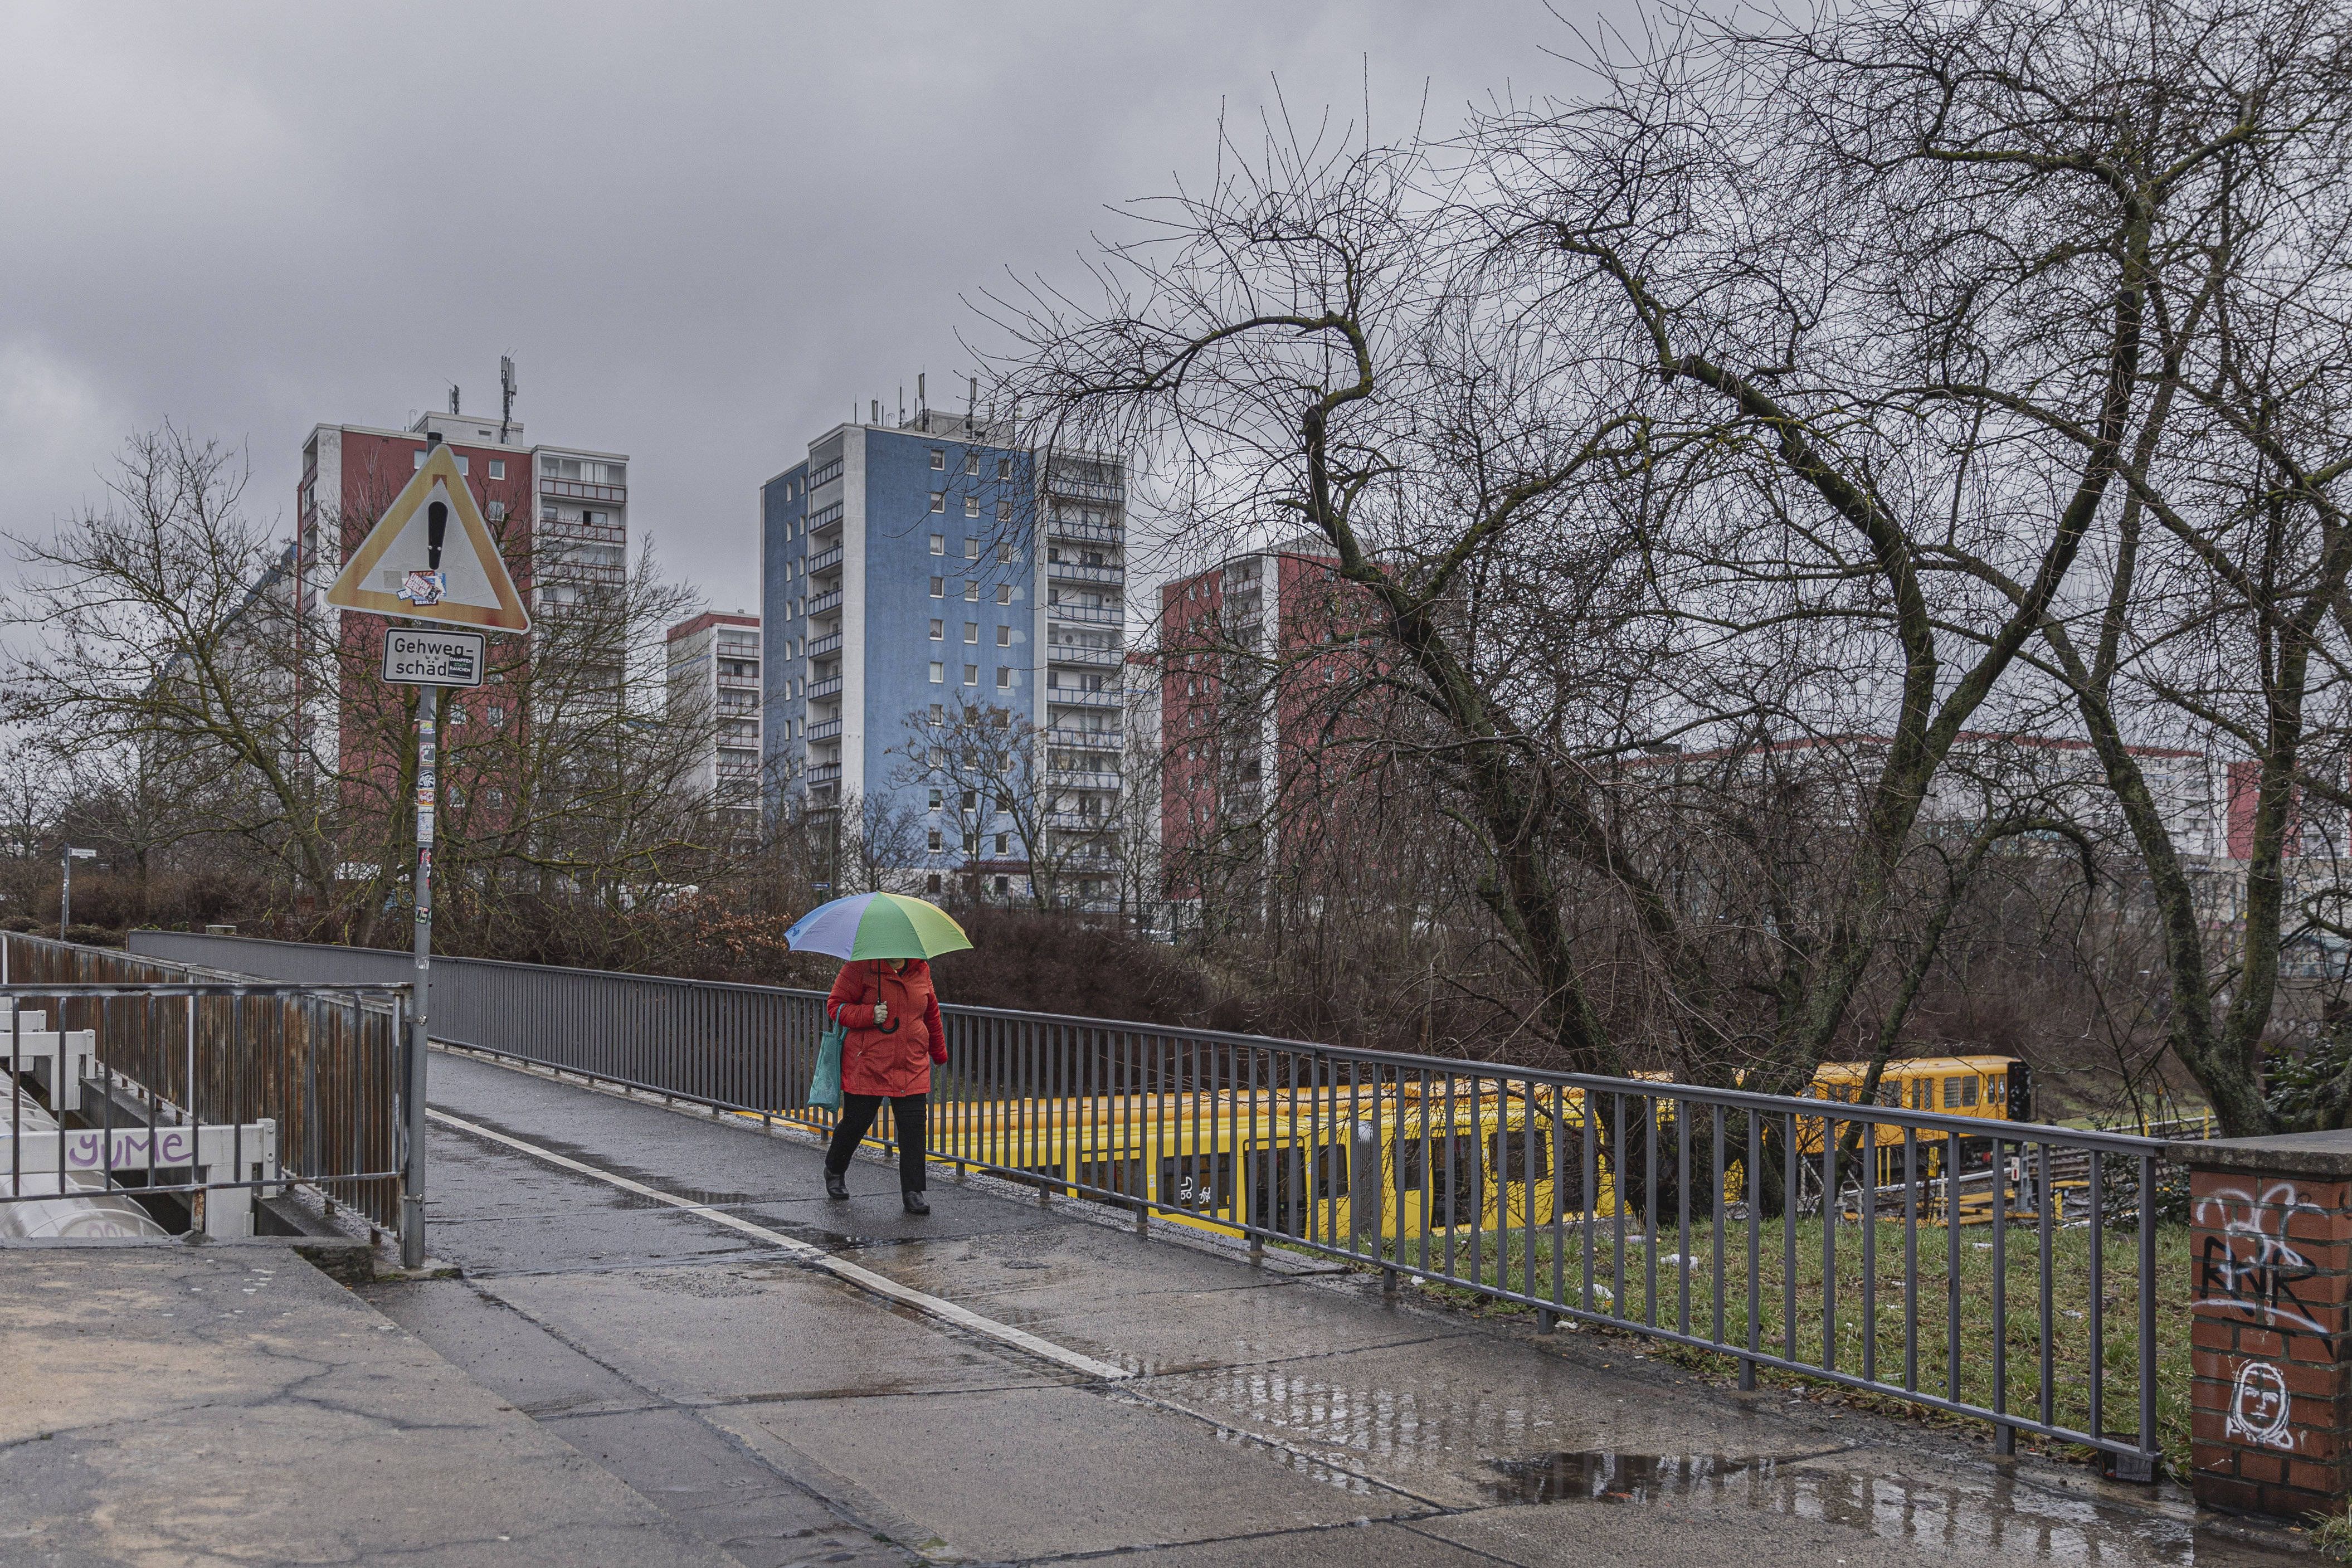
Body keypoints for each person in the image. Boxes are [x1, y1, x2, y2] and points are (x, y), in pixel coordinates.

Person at [822, 955, 946, 1215]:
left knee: (913, 1129)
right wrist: (869, 1014)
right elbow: (836, 1007)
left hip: (911, 1064)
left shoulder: (920, 969)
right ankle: (834, 1169)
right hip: (868, 1064)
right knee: (856, 1123)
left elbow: (931, 1013)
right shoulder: (859, 967)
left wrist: (939, 1051)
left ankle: (913, 1192)